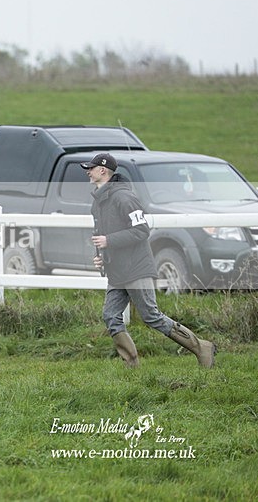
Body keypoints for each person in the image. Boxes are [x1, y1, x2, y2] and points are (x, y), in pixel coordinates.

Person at [83, 153, 216, 368]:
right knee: (110, 316)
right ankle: (131, 365)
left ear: (103, 170)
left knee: (151, 316)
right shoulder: (98, 202)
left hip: (136, 269)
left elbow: (142, 231)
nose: (87, 172)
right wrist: (102, 259)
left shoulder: (124, 198)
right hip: (117, 271)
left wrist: (109, 240)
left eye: (91, 168)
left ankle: (201, 347)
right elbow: (102, 236)